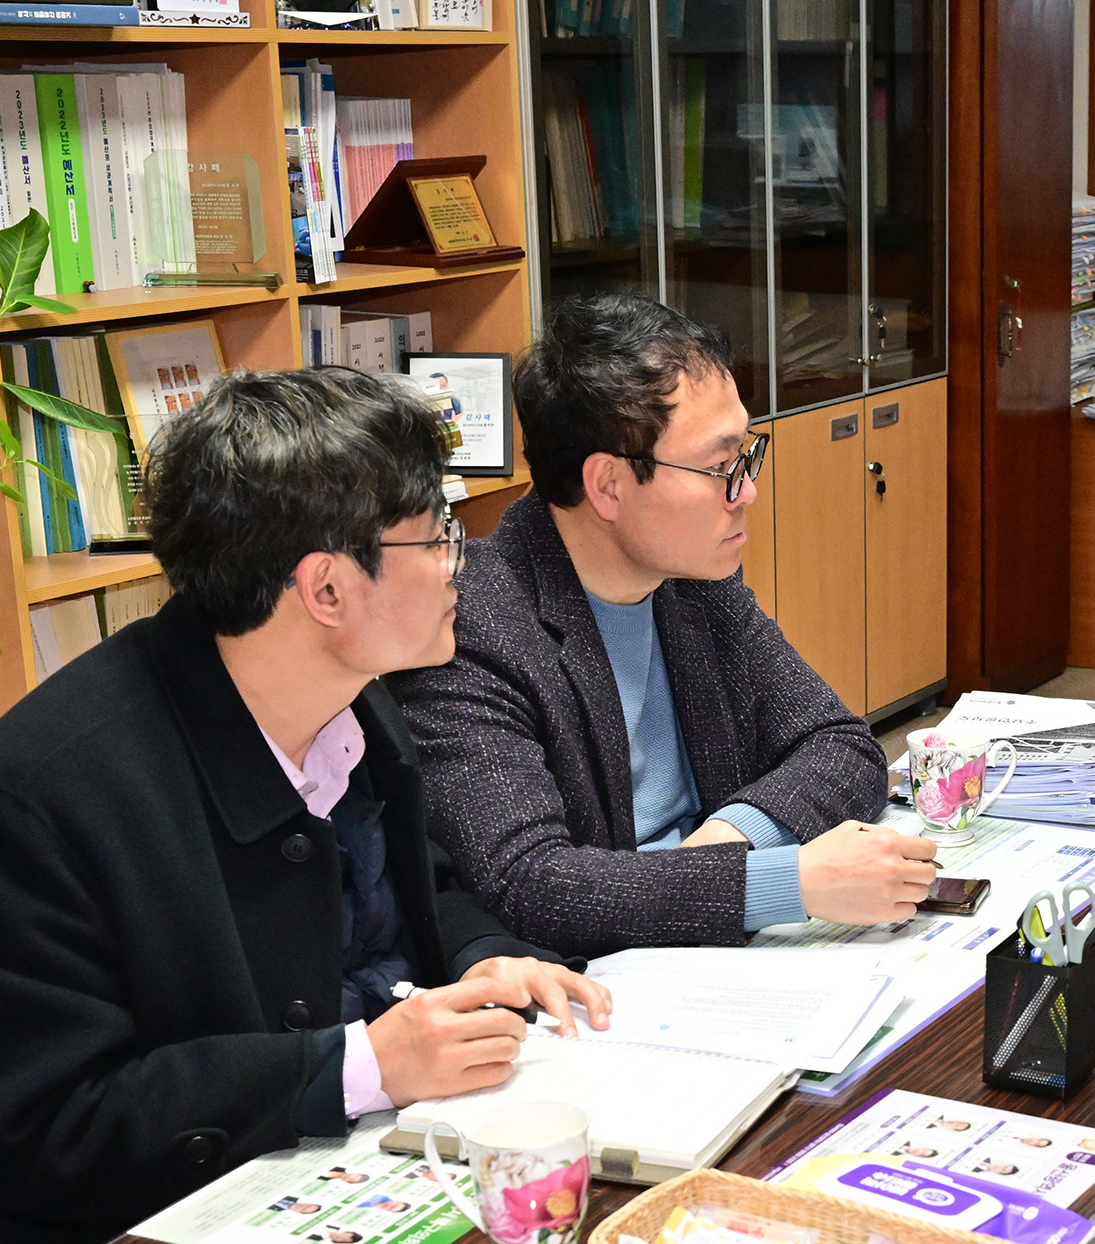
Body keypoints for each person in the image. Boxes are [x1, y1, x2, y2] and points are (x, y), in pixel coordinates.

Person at [0, 369, 609, 1244]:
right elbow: (50, 1130)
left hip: (366, 1177)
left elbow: (420, 887)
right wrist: (361, 1065)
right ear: (325, 589)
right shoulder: (37, 803)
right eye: (437, 533)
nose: (459, 559)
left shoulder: (350, 705)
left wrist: (485, 958)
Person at [396, 291, 932, 955]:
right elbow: (535, 888)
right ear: (609, 486)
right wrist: (775, 882)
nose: (747, 491)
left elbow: (840, 745)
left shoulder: (693, 584)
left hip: (712, 955)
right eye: (718, 466)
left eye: (746, 454)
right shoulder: (470, 623)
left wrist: (727, 846)